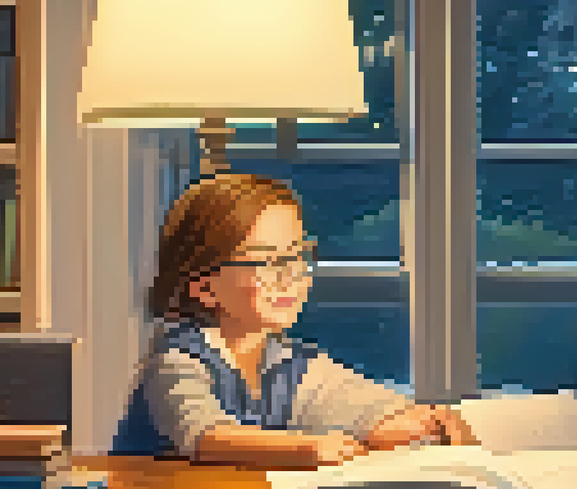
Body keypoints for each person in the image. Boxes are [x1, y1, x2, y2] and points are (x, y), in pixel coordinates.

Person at [114, 173, 476, 467]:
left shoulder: (288, 361)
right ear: (203, 287)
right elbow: (206, 436)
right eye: (267, 262)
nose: (291, 277)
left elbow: (349, 398)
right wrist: (308, 449)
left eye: (298, 255)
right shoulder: (177, 358)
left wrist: (410, 420)